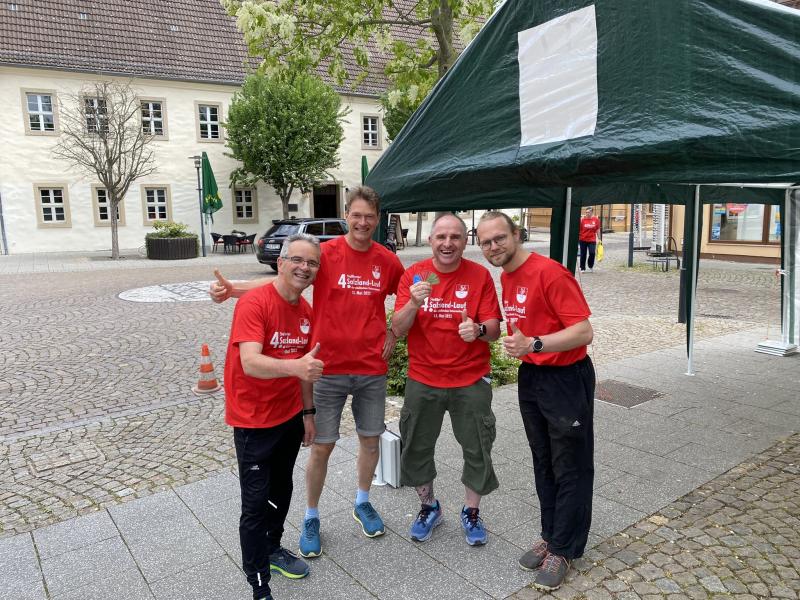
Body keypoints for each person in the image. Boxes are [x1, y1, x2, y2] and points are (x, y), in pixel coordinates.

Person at [210, 186, 404, 559]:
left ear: (378, 220)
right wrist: (234, 290)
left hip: (370, 369)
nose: (363, 222)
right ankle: (312, 516)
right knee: (322, 446)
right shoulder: (325, 254)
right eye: (357, 215)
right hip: (324, 368)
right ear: (347, 215)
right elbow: (282, 279)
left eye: (370, 216)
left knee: (370, 440)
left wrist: (395, 331)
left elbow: (408, 295)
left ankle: (362, 501)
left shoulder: (387, 260)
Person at [476, 211, 595, 592]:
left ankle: (565, 548)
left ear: (516, 234)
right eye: (485, 242)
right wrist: (524, 347)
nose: (493, 246)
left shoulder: (550, 273)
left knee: (570, 464)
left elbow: (583, 331)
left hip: (566, 378)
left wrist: (535, 343)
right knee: (543, 460)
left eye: (499, 238)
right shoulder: (508, 276)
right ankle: (550, 533)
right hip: (533, 376)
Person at [391, 213, 502, 546]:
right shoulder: (414, 275)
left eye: (455, 237)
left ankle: (471, 511)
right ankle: (429, 507)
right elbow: (398, 328)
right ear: (431, 241)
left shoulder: (479, 275)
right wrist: (414, 302)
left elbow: (494, 329)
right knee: (416, 447)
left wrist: (478, 330)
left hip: (471, 378)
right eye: (441, 237)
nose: (448, 243)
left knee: (477, 447)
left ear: (465, 241)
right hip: (423, 378)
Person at [224, 233, 323, 600]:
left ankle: (272, 547)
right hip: (253, 420)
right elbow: (250, 362)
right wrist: (294, 367)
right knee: (254, 503)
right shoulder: (255, 302)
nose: (304, 267)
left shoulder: (306, 312)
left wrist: (308, 413)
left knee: (282, 489)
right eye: (297, 259)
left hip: (289, 416)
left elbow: (307, 368)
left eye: (311, 263)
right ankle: (259, 583)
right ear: (280, 263)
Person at [578, 206, 601, 273]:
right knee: (583, 254)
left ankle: (590, 265)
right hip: (583, 239)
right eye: (586, 212)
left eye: (588, 212)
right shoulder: (582, 220)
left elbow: (598, 229)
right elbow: (579, 230)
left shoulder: (596, 220)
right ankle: (582, 268)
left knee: (592, 253)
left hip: (592, 240)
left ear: (592, 212)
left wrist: (599, 238)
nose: (587, 213)